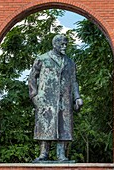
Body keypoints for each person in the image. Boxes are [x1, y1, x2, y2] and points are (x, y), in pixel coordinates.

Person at [28, 34, 83, 162]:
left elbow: (74, 81)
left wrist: (77, 97)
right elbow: (32, 78)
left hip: (65, 98)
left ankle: (61, 154)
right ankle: (43, 154)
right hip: (45, 98)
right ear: (55, 44)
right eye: (62, 44)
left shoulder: (70, 62)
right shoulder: (43, 59)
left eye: (66, 44)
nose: (64, 46)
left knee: (64, 125)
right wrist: (34, 95)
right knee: (45, 124)